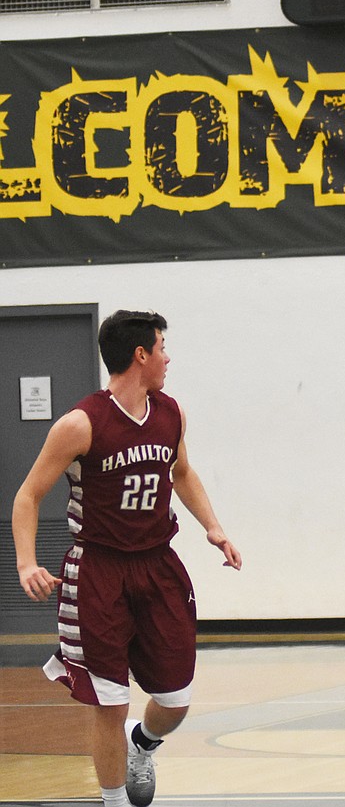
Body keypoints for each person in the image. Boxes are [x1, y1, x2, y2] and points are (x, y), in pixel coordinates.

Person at [11, 309, 241, 807]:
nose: (168, 357)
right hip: (99, 571)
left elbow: (181, 473)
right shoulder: (80, 423)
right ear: (141, 355)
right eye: (162, 347)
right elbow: (28, 496)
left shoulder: (171, 412)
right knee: (109, 704)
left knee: (176, 700)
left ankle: (143, 744)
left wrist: (214, 527)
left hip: (157, 566)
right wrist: (27, 563)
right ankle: (113, 801)